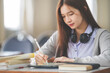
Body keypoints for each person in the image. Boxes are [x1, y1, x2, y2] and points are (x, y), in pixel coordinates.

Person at [34, 0, 110, 67]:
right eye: (63, 16)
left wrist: (74, 61)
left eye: (71, 14)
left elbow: (108, 59)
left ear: (84, 9)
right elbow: (35, 57)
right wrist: (38, 58)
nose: (67, 20)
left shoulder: (102, 35)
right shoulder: (58, 36)